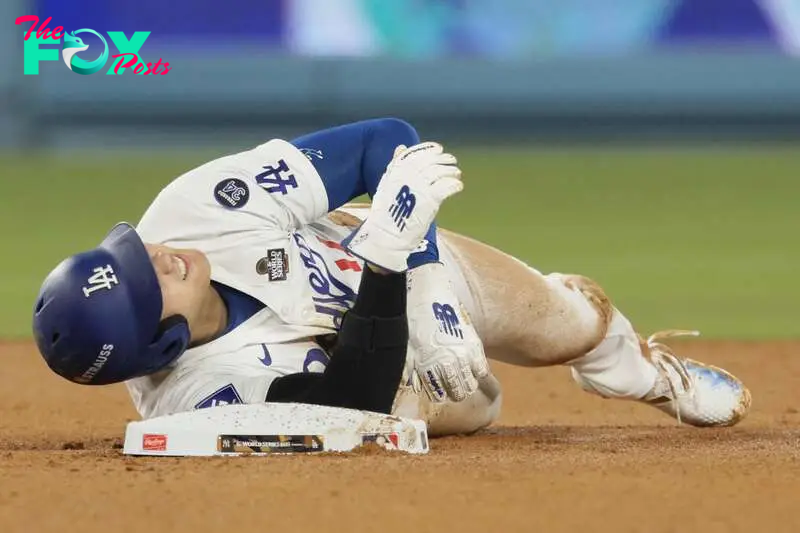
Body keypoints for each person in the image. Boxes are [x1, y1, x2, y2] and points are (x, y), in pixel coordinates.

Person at [32, 119, 751, 436]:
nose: (159, 255)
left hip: (392, 254)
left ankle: (636, 371)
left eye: (133, 254)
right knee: (467, 405)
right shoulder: (197, 399)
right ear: (162, 347)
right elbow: (352, 403)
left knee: (568, 324)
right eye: (145, 282)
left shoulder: (189, 210)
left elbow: (385, 139)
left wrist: (424, 273)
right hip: (376, 354)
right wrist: (385, 262)